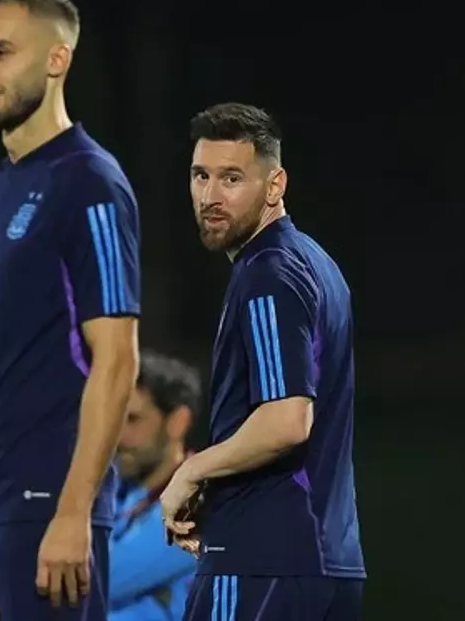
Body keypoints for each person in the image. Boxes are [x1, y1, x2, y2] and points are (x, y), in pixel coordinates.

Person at [0, 0, 141, 620]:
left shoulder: (89, 181)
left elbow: (117, 358)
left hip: (45, 508)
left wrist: (73, 511)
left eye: (0, 52)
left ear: (57, 59)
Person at [160, 103, 365, 621]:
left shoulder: (268, 273)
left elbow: (287, 419)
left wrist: (192, 471)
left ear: (275, 185)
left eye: (232, 178)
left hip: (260, 563)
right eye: (200, 176)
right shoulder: (316, 263)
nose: (210, 197)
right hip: (326, 565)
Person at [109, 351, 201, 621]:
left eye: (133, 419)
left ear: (177, 422)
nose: (118, 435)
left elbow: (103, 579)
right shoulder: (116, 492)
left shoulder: (200, 500)